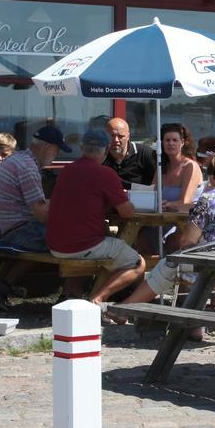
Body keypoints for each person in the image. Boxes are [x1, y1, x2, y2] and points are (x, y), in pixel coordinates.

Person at [109, 152, 215, 317]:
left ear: (211, 176)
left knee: (168, 263)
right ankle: (189, 321)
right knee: (179, 261)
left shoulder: (209, 199)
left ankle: (125, 309)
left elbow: (187, 241)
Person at [44, 130, 150, 305]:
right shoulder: (105, 174)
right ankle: (98, 299)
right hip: (82, 246)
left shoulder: (66, 171)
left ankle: (73, 294)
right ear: (107, 149)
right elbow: (128, 213)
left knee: (108, 243)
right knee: (137, 262)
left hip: (55, 244)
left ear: (81, 148)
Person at [0, 125, 70, 307]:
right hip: (21, 232)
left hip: (11, 229)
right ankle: (72, 295)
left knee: (62, 236)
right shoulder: (28, 168)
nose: (56, 156)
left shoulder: (17, 160)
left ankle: (1, 289)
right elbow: (41, 214)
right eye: (57, 150)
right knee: (78, 239)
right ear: (48, 147)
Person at [159, 122, 203, 213]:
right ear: (162, 143)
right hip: (162, 219)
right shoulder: (160, 166)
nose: (171, 143)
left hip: (185, 222)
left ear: (182, 142)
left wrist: (166, 205)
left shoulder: (190, 166)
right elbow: (153, 196)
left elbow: (185, 202)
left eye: (175, 140)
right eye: (167, 140)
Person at [104, 117, 158, 189]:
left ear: (128, 136)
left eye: (120, 136)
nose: (116, 140)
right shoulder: (100, 156)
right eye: (112, 135)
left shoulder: (145, 154)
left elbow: (159, 182)